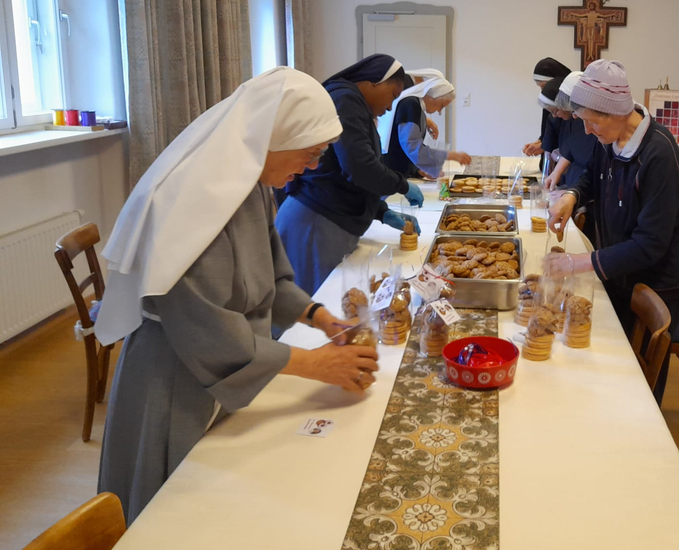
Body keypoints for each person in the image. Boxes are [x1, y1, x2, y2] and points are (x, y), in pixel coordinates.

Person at [95, 67, 380, 524]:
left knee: (223, 498)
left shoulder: (250, 183)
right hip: (174, 376)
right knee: (174, 514)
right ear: (274, 135)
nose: (312, 167)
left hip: (226, 365)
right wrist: (315, 365)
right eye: (310, 153)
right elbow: (209, 333)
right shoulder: (193, 199)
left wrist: (319, 316)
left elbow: (270, 280)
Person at [545, 59, 679, 404]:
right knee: (612, 354)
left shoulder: (658, 155)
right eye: (582, 121)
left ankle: (643, 423)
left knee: (639, 375)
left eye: (591, 122)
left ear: (615, 113)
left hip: (658, 279)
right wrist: (572, 195)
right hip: (622, 269)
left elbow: (650, 245)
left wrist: (578, 263)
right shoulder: (610, 137)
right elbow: (592, 175)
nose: (587, 131)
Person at [276, 54, 423, 295]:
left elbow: (343, 170)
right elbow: (359, 166)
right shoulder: (345, 99)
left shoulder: (354, 104)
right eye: (392, 96)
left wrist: (381, 211)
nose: (389, 107)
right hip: (316, 221)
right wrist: (402, 185)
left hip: (327, 220)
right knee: (313, 304)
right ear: (375, 81)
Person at [380, 75, 472, 178]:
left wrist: (418, 170)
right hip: (392, 174)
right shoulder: (411, 105)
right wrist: (450, 155)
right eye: (441, 106)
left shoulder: (415, 105)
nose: (439, 111)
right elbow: (412, 147)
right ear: (433, 97)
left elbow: (406, 147)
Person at [539, 71, 597, 190]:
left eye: (556, 111)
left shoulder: (591, 126)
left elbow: (590, 167)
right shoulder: (573, 120)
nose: (554, 116)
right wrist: (556, 172)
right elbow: (571, 149)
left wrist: (573, 193)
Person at [522, 57, 571, 162]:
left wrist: (546, 145)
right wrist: (541, 141)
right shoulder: (549, 102)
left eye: (545, 86)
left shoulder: (572, 111)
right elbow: (549, 130)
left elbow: (568, 142)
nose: (543, 91)